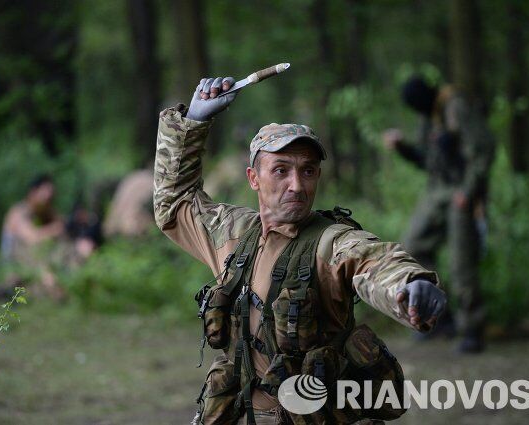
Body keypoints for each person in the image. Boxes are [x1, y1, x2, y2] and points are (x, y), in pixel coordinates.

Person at [154, 76, 447, 424]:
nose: (297, 185)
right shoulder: (232, 233)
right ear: (253, 178)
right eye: (281, 170)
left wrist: (409, 286)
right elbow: (174, 201)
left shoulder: (330, 242)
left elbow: (374, 260)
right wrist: (194, 124)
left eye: (307, 171)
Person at [382, 76, 495, 354]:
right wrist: (403, 149)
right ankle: (439, 318)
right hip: (438, 191)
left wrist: (468, 192)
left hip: (461, 191)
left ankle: (472, 330)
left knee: (461, 263)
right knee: (412, 246)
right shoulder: (429, 116)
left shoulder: (455, 106)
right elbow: (428, 161)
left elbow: (484, 150)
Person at [0, 174, 66, 300]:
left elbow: (63, 228)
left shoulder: (46, 212)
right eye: (46, 193)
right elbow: (32, 237)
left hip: (34, 264)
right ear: (33, 192)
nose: (49, 197)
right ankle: (51, 286)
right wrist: (55, 228)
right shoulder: (18, 212)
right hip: (16, 265)